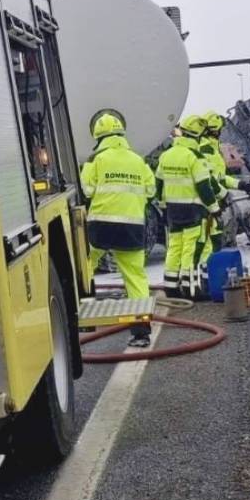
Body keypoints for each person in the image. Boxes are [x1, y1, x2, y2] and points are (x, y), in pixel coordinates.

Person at [80, 111, 157, 346]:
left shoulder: (95, 159)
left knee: (84, 268)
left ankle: (83, 317)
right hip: (132, 227)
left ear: (98, 136)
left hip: (100, 227)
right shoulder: (138, 160)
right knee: (135, 278)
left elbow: (87, 190)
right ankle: (141, 332)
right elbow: (151, 191)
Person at [154, 114, 218, 300]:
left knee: (174, 247)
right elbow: (204, 187)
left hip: (172, 210)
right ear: (197, 136)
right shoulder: (194, 157)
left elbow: (158, 183)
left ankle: (171, 287)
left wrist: (163, 203)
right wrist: (214, 208)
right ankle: (191, 291)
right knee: (190, 248)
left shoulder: (166, 155)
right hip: (192, 210)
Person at [197, 111, 250, 278]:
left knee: (217, 243)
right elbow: (208, 181)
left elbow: (220, 178)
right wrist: (225, 195)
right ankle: (207, 279)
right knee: (208, 245)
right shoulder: (204, 151)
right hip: (207, 206)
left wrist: (242, 185)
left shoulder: (212, 149)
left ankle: (214, 278)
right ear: (216, 130)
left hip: (215, 205)